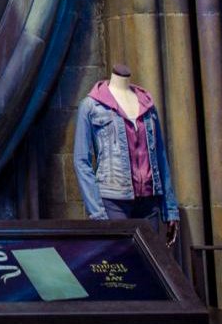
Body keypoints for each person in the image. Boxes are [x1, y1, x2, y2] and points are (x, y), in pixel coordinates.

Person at [73, 64, 180, 243]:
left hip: (149, 199)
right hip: (113, 200)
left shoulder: (147, 106)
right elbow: (81, 161)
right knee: (120, 263)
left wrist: (170, 208)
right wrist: (97, 211)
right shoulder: (91, 106)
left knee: (150, 263)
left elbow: (160, 157)